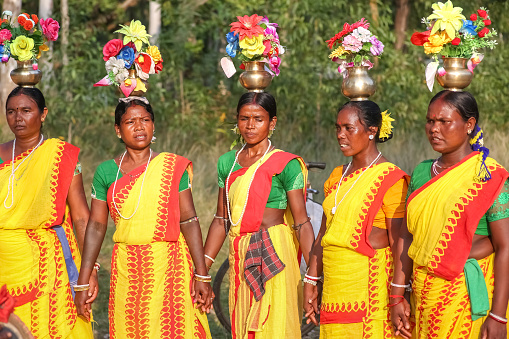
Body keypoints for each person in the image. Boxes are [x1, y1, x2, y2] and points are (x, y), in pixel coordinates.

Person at [74, 97, 212, 338]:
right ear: (118, 129)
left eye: (145, 120)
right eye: (130, 122)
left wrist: (201, 273)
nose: (139, 127)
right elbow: (96, 226)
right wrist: (83, 280)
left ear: (154, 125)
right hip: (126, 268)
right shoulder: (106, 171)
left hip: (170, 268)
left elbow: (189, 220)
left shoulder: (171, 166)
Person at [391, 90, 509, 339]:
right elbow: (406, 235)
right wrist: (397, 294)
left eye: (444, 122)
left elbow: (505, 246)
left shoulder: (488, 175)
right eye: (430, 121)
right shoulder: (422, 172)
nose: (434, 129)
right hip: (423, 295)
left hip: (466, 297)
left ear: (469, 125)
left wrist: (498, 316)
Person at [203, 92, 314, 338]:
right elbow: (222, 219)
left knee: (271, 325)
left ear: (272, 123)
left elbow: (302, 222)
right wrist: (202, 270)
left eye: (258, 119)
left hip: (274, 252)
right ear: (237, 120)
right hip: (240, 253)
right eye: (244, 118)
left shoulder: (286, 164)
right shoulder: (227, 163)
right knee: (243, 322)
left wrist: (314, 275)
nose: (250, 125)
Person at [304, 101, 409, 338]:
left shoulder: (391, 179)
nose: (340, 135)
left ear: (372, 131)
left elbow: (399, 244)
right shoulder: (337, 176)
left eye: (348, 128)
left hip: (370, 296)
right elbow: (324, 234)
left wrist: (399, 297)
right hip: (334, 291)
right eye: (338, 128)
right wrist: (311, 279)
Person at [0, 87, 94, 338]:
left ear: (43, 114)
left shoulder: (60, 156)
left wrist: (89, 270)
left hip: (49, 266)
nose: (18, 117)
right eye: (11, 111)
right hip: (4, 263)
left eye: (26, 110)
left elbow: (81, 217)